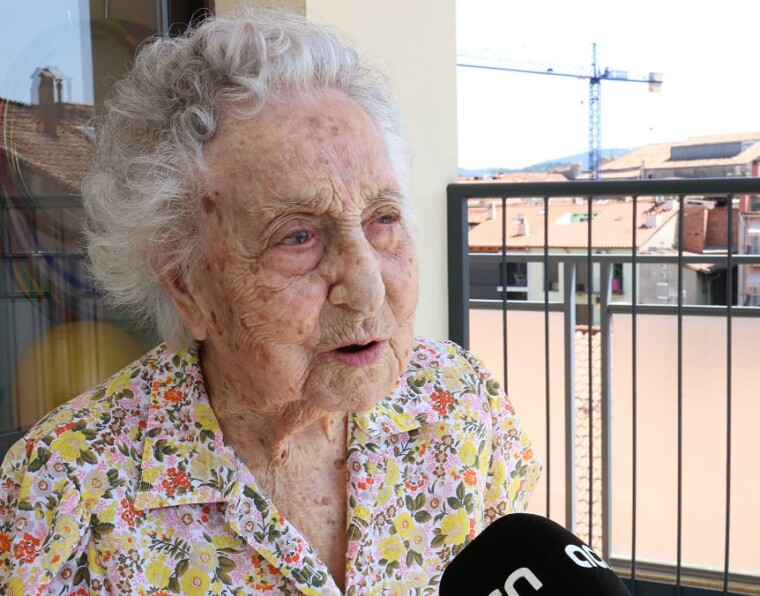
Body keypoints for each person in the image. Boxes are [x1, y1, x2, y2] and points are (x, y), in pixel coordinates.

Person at [0, 9, 540, 594]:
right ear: (185, 284)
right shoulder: (63, 495)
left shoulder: (460, 403)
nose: (368, 288)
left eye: (383, 219)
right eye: (298, 236)